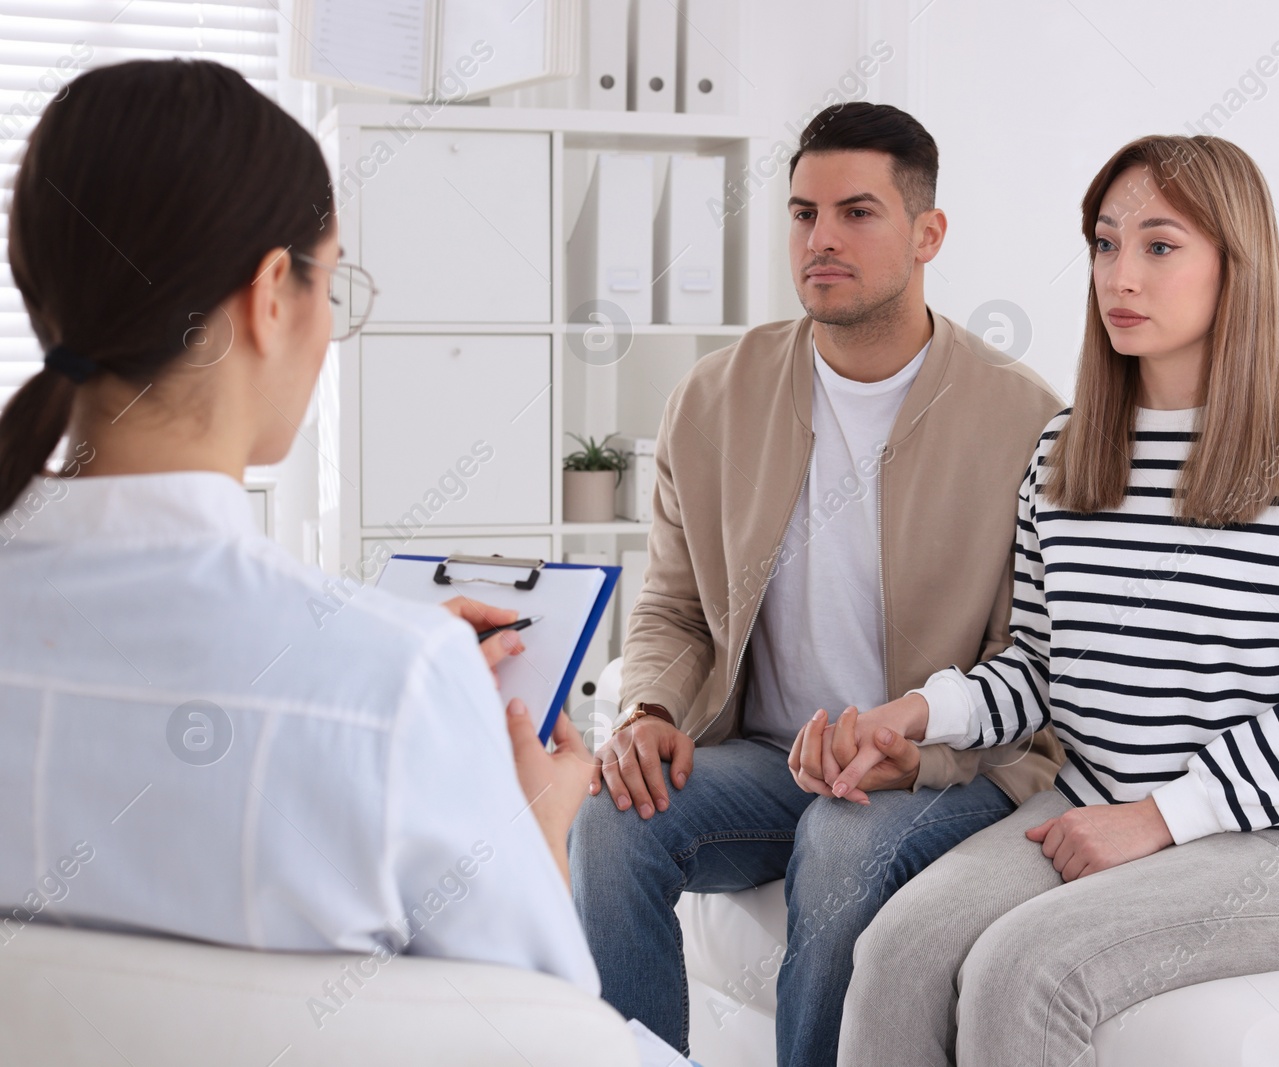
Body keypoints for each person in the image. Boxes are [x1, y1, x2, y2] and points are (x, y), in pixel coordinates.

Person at [804, 135, 1279, 1066]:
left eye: (1159, 246)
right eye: (1104, 243)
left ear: (1234, 265)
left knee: (1024, 968)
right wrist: (922, 712)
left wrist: (1160, 817)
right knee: (893, 946)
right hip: (1093, 802)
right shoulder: (1067, 448)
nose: (1121, 274)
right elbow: (1041, 669)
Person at [0, 60, 597, 996]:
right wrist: (534, 825)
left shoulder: (395, 681)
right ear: (271, 293)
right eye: (333, 283)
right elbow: (537, 1032)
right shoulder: (398, 685)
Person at [570, 101, 1064, 1066]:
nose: (821, 239)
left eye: (857, 213)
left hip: (943, 770)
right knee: (609, 819)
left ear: (929, 233)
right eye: (802, 214)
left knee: (843, 842)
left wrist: (909, 752)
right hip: (767, 754)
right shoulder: (712, 399)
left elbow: (1032, 667)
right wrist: (652, 706)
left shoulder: (1027, 418)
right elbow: (672, 605)